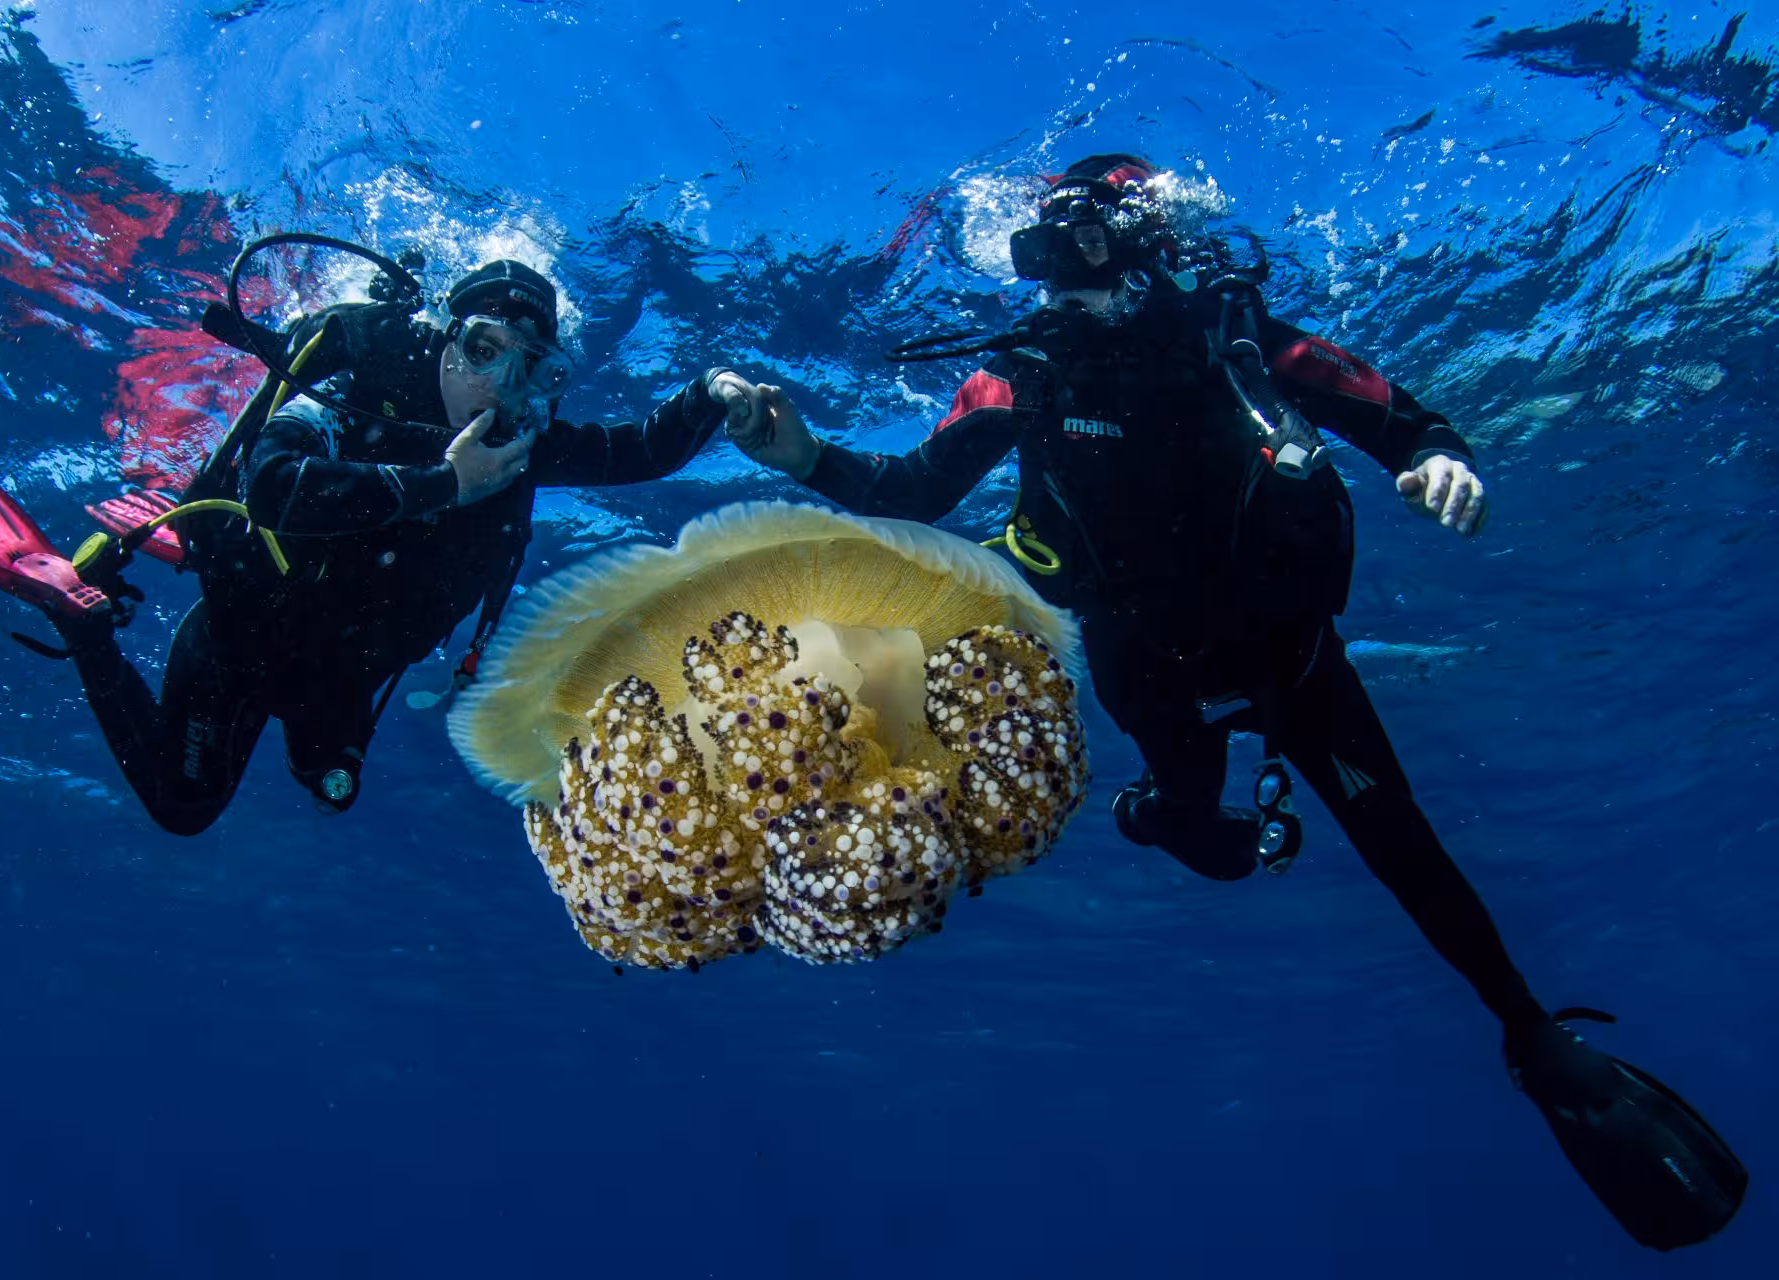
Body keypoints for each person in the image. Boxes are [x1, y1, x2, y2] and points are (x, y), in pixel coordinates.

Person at [724, 154, 1746, 1250]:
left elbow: (1403, 417)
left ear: (1149, 248)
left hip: (1287, 656)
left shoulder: (1243, 340)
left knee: (1402, 838)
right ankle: (1160, 812)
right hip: (1144, 664)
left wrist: (1446, 462)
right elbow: (909, 492)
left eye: (1082, 251)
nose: (1057, 284)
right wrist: (801, 452)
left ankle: (1531, 1029)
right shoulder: (1022, 377)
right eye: (1038, 260)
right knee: (1209, 836)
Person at [0, 254, 763, 835]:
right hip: (245, 636)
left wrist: (713, 392)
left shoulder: (522, 443)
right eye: (483, 349)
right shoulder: (358, 382)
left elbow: (640, 450)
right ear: (446, 336)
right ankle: (86, 627)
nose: (497, 384)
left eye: (530, 366)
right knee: (184, 808)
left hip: (347, 674)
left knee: (332, 792)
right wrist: (443, 486)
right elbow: (275, 485)